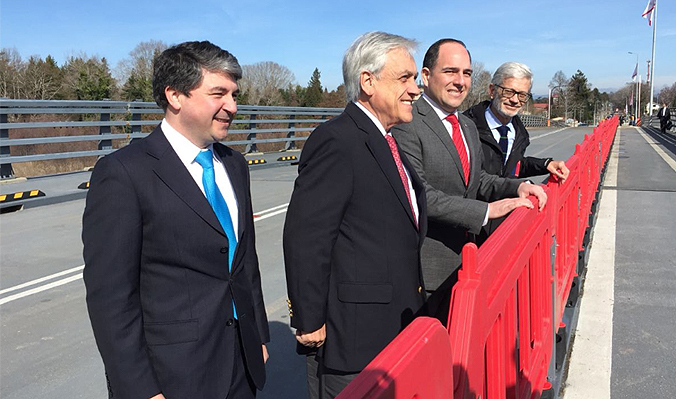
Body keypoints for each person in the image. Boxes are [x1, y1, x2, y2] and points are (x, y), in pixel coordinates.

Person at [83, 41, 269, 399]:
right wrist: (139, 389)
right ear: (175, 95)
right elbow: (111, 298)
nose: (232, 106)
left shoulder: (234, 164)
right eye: (219, 94)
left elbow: (244, 263)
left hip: (240, 364)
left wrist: (258, 334)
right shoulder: (124, 173)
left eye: (234, 94)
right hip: (172, 378)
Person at [283, 31, 426, 398]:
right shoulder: (338, 140)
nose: (416, 89)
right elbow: (306, 235)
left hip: (393, 324)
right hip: (354, 337)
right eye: (405, 78)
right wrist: (309, 318)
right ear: (367, 81)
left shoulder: (387, 140)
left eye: (416, 79)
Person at [392, 39, 547, 325]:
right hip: (426, 272)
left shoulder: (464, 124)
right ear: (425, 76)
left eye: (466, 73)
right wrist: (486, 212)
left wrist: (517, 187)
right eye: (451, 71)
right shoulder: (407, 122)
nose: (460, 81)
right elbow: (419, 194)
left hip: (468, 263)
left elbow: (478, 180)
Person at [462, 61, 569, 244]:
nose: (514, 100)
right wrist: (517, 186)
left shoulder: (519, 132)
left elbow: (512, 166)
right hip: (473, 223)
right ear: (492, 90)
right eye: (508, 91)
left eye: (522, 95)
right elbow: (475, 178)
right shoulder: (466, 126)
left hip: (505, 222)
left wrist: (545, 164)